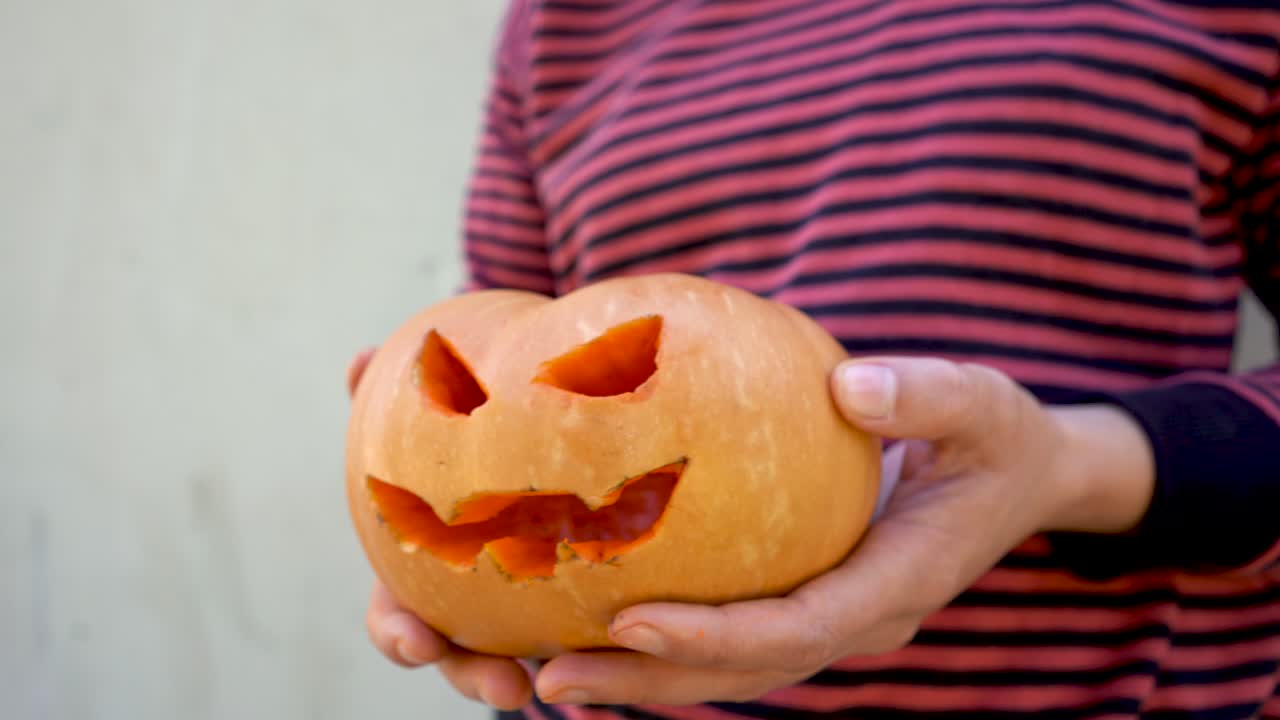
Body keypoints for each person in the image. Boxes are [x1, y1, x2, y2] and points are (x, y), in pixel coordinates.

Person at [350, 2, 1280, 718]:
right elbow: (509, 377)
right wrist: (443, 536)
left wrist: (1074, 468)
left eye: (622, 373)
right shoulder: (563, 19)